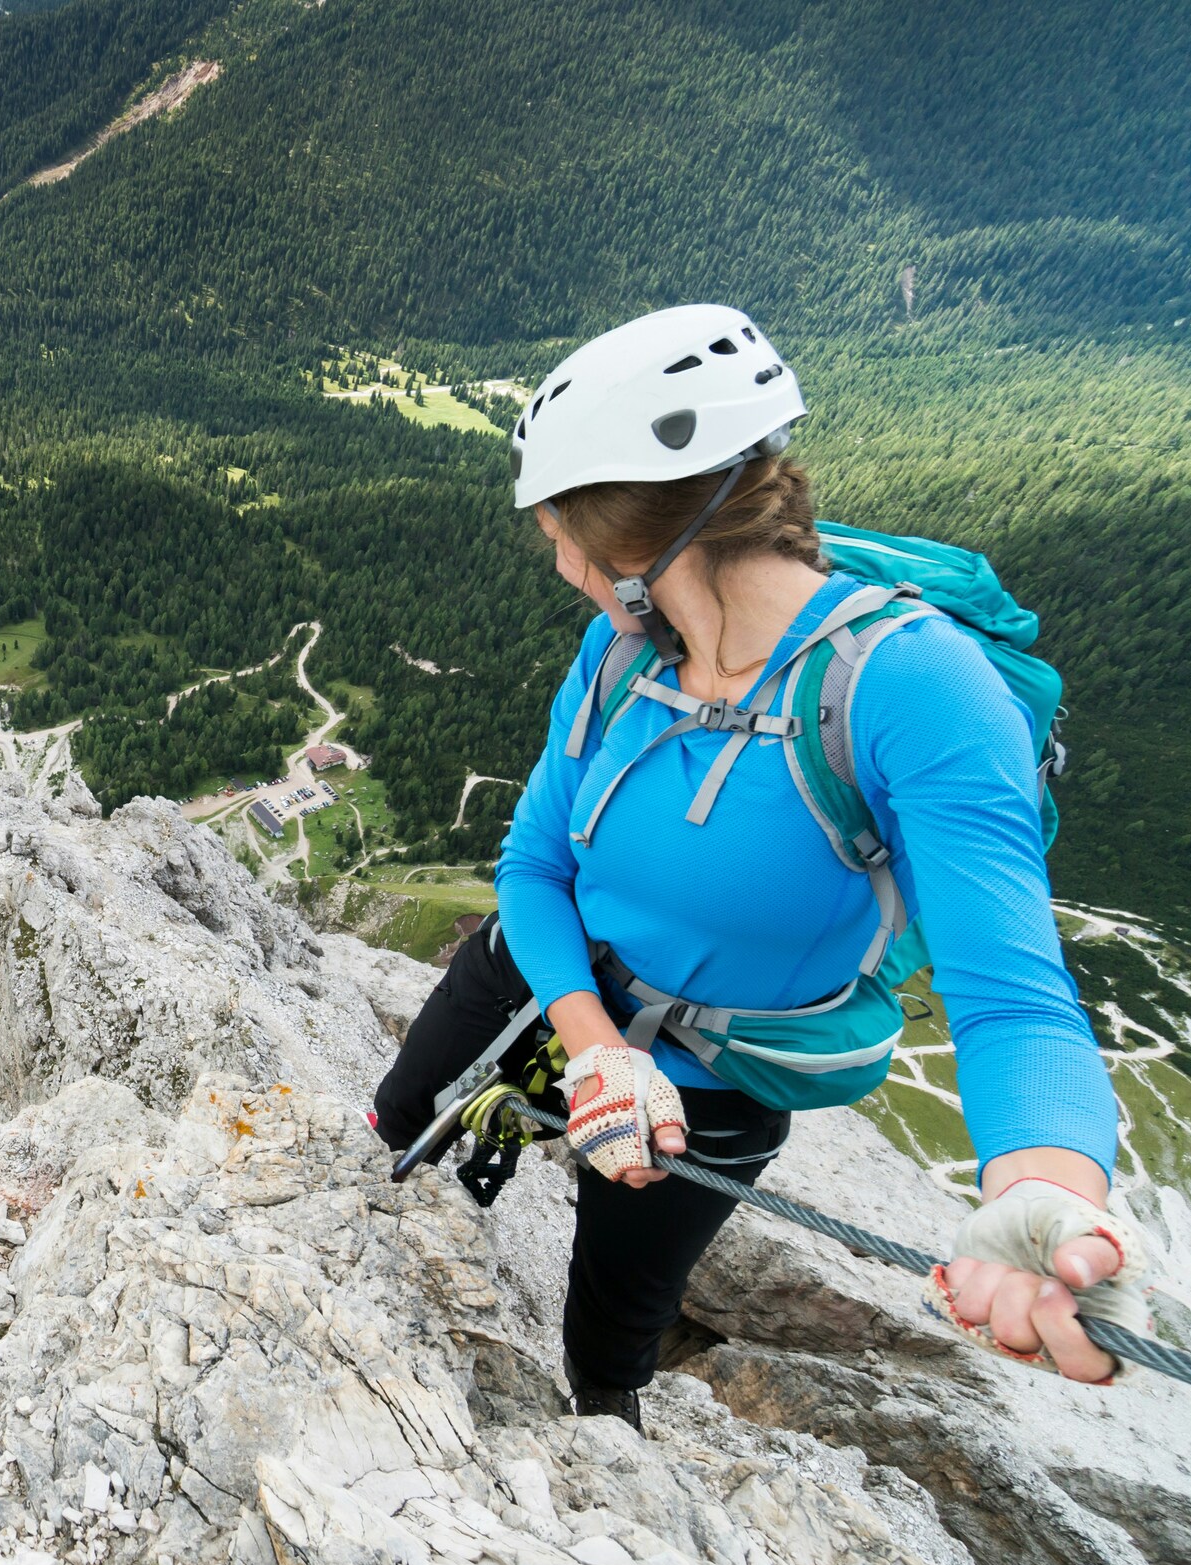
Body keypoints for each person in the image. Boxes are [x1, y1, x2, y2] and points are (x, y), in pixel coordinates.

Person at [373, 304, 1147, 1428]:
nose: (558, 567)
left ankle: (602, 1442)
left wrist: (1042, 1183)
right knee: (398, 1122)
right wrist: (593, 1050)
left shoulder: (914, 693)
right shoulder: (623, 652)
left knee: (613, 1323)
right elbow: (535, 865)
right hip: (538, 979)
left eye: (559, 536)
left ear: (630, 548)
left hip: (714, 1081)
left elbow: (1013, 994)